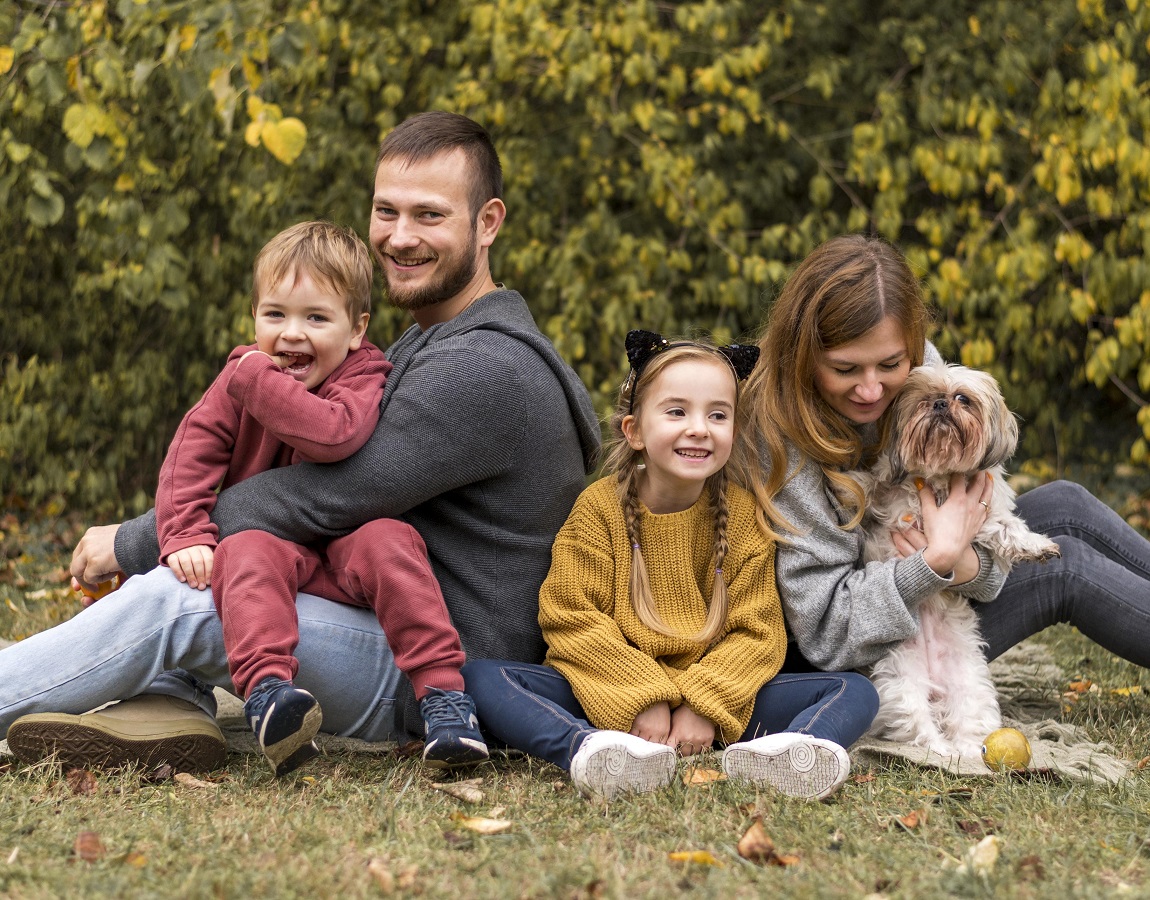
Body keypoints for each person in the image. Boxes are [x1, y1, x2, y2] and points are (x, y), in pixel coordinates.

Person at [1, 111, 601, 774]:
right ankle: (169, 708)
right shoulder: (431, 341)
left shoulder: (485, 368)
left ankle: (118, 685)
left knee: (182, 599)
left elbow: (315, 499)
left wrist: (129, 542)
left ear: (487, 223)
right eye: (386, 211)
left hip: (435, 671)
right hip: (382, 617)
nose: (400, 237)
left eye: (428, 215)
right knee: (225, 574)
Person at [463, 331, 879, 801]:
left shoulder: (742, 517)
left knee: (855, 692)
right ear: (634, 430)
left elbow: (758, 633)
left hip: (720, 704)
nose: (699, 428)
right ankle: (594, 751)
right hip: (609, 700)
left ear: (734, 433)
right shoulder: (599, 510)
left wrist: (702, 706)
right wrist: (645, 698)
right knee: (482, 679)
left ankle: (785, 756)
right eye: (677, 411)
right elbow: (571, 617)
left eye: (717, 415)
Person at [152, 219, 486, 777]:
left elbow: (336, 434)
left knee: (391, 539)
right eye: (275, 314)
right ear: (254, 316)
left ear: (356, 329)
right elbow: (193, 450)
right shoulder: (240, 376)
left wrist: (259, 381)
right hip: (273, 551)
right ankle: (269, 697)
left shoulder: (363, 373)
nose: (291, 334)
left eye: (316, 318)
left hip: (341, 550)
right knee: (245, 549)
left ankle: (444, 700)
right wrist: (184, 531)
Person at [738, 232, 1150, 679]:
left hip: (934, 577)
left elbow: (984, 555)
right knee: (1066, 569)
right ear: (803, 355)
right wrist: (936, 561)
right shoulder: (780, 444)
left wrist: (962, 559)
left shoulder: (921, 374)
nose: (872, 389)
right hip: (866, 647)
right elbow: (826, 632)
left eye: (891, 365)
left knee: (1066, 503)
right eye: (844, 369)